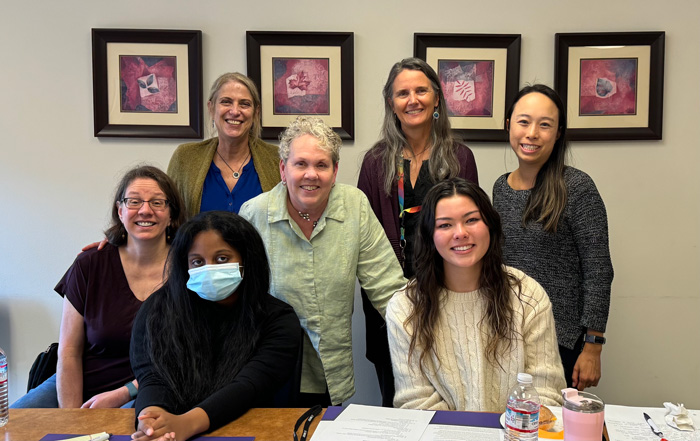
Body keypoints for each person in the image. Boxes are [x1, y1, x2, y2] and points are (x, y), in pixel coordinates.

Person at [240, 116, 406, 406]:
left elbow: (387, 287)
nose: (311, 174)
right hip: (266, 367)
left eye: (321, 165)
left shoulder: (354, 206)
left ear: (335, 170)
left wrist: (425, 336)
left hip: (328, 369)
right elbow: (237, 298)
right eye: (300, 164)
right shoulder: (255, 213)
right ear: (283, 168)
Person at [11, 166, 186, 409]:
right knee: (13, 427)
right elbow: (69, 352)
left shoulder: (188, 268)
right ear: (120, 210)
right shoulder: (90, 264)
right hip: (80, 381)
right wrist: (72, 420)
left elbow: (185, 356)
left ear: (171, 213)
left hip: (149, 388)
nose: (145, 210)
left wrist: (124, 392)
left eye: (157, 202)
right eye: (133, 201)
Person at [357, 57, 478, 406]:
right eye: (402, 93)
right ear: (391, 104)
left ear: (436, 98)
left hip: (447, 296)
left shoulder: (460, 158)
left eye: (421, 90)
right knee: (397, 398)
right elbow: (364, 238)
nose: (413, 100)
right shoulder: (375, 161)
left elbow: (471, 232)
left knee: (450, 395)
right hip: (388, 299)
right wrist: (391, 297)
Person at [387, 178, 566, 411]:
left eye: (471, 220)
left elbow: (545, 394)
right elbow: (416, 403)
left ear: (489, 225)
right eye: (445, 225)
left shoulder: (527, 295)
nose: (460, 233)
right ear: (430, 235)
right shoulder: (405, 306)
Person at [130, 211, 301, 441]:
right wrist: (152, 419)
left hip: (246, 428)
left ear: (246, 260)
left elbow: (249, 386)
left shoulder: (278, 319)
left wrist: (185, 424)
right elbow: (153, 375)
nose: (209, 268)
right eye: (197, 261)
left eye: (222, 258)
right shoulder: (157, 310)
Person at [492, 84, 614, 390]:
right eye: (523, 121)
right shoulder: (499, 188)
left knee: (552, 430)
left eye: (544, 125)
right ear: (509, 125)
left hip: (561, 342)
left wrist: (593, 345)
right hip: (508, 337)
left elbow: (599, 271)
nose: (532, 133)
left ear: (558, 133)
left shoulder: (576, 188)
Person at [168, 72, 280, 217]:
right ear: (211, 108)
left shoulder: (276, 159)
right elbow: (169, 216)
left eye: (244, 104)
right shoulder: (184, 157)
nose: (235, 111)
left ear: (255, 112)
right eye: (226, 102)